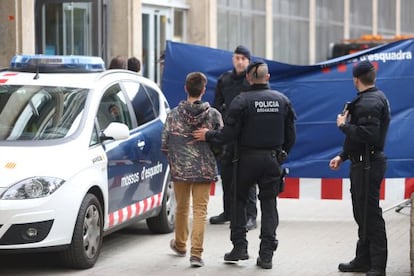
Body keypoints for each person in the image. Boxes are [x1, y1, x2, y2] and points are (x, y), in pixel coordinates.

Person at [193, 61, 296, 269]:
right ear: (267, 78)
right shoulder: (282, 101)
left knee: (238, 201)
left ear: (249, 78)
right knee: (269, 205)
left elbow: (228, 134)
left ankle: (239, 248)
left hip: (246, 160)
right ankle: (266, 255)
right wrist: (281, 154)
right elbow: (291, 136)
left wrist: (209, 135)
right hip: (272, 159)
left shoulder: (241, 101)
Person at [329, 60, 390, 276]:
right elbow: (362, 137)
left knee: (370, 214)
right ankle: (363, 260)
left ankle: (377, 266)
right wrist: (343, 155)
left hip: (368, 164)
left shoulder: (370, 102)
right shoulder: (368, 99)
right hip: (362, 162)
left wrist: (343, 126)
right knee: (361, 213)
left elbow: (369, 136)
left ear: (356, 79)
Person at [161, 72, 223, 268]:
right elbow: (221, 143)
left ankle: (180, 245)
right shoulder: (213, 115)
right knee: (200, 211)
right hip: (204, 170)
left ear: (185, 88)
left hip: (180, 171)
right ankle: (196, 254)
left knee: (181, 207)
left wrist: (177, 159)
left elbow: (164, 144)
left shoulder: (172, 115)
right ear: (203, 90)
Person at [209, 45, 258, 230]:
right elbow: (216, 105)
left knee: (249, 176)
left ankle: (251, 216)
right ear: (233, 59)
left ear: (248, 61)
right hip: (228, 135)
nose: (239, 62)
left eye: (243, 59)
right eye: (237, 58)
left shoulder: (253, 81)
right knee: (227, 175)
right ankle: (228, 212)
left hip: (248, 136)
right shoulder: (225, 79)